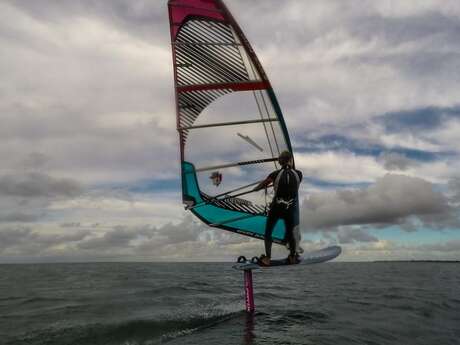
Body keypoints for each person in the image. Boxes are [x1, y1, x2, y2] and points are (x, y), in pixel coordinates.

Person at [253, 150, 302, 266]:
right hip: (290, 208)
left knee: (268, 231)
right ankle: (292, 256)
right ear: (290, 160)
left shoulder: (274, 174)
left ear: (280, 162)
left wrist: (255, 188)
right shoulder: (299, 174)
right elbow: (291, 185)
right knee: (291, 232)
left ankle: (267, 258)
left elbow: (263, 184)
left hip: (277, 207)